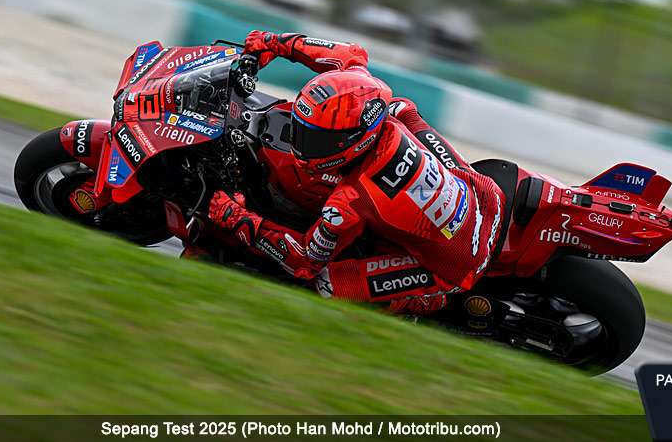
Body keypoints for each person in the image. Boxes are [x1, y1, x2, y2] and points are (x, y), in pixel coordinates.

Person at [207, 32, 504, 315]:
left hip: (460, 263)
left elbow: (305, 261)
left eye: (315, 140)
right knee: (401, 110)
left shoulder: (349, 201)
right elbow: (351, 53)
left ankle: (426, 303)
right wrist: (275, 43)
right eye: (300, 130)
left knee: (327, 284)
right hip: (485, 195)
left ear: (352, 140)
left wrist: (238, 218)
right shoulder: (364, 88)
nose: (301, 145)